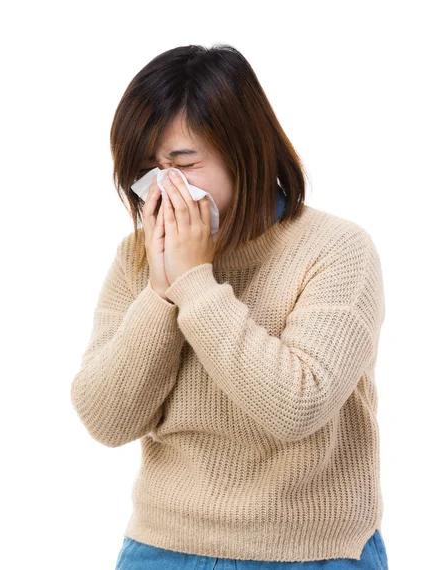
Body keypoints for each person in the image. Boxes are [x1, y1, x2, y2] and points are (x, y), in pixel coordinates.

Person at [70, 44, 389, 569]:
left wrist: (195, 283)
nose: (162, 189)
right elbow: (106, 419)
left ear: (245, 151)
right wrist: (160, 292)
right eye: (146, 169)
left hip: (310, 554)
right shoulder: (137, 255)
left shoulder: (337, 249)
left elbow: (296, 408)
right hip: (162, 549)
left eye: (183, 164)